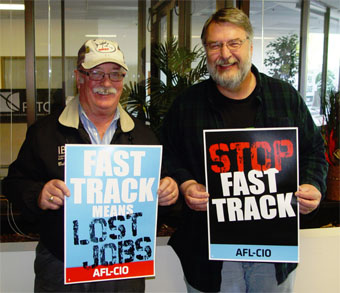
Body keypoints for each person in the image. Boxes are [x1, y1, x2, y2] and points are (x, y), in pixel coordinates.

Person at [160, 8, 328, 293]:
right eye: (215, 45)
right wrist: (186, 183)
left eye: (234, 43)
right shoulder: (187, 105)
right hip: (210, 254)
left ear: (250, 46)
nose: (225, 54)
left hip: (273, 255)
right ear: (207, 51)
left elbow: (314, 152)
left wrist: (312, 185)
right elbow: (167, 156)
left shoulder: (285, 97)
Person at [3, 39, 178, 292]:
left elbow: (161, 194)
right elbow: (13, 184)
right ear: (79, 77)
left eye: (115, 74)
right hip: (61, 266)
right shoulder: (45, 133)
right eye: (96, 73)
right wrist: (38, 195)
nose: (106, 83)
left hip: (124, 269)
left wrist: (169, 191)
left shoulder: (144, 136)